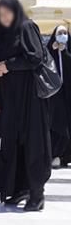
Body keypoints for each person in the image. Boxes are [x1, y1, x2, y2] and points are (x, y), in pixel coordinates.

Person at [0, 0, 51, 211]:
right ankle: (19, 189)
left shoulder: (26, 26)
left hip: (30, 98)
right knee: (14, 142)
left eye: (7, 13)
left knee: (33, 142)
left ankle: (37, 194)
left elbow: (35, 57)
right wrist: (0, 67)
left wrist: (8, 65)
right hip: (12, 99)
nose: (4, 17)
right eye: (0, 14)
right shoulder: (5, 34)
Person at [47, 25, 71, 168]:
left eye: (64, 33)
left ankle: (64, 155)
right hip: (54, 93)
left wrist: (65, 54)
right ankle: (56, 153)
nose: (62, 36)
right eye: (59, 33)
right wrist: (52, 50)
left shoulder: (68, 50)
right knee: (57, 123)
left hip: (68, 92)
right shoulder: (49, 49)